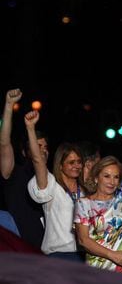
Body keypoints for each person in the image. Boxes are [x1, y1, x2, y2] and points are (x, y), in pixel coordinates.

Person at [74, 121, 122, 275]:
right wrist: (112, 255)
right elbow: (83, 240)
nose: (112, 181)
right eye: (106, 176)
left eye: (116, 177)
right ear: (96, 178)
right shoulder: (84, 204)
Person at [25, 110, 85, 261]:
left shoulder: (84, 190)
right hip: (59, 256)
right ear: (60, 165)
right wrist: (30, 128)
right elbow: (38, 160)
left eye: (79, 162)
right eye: (71, 162)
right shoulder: (51, 184)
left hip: (84, 255)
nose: (76, 166)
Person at [0, 89, 46, 249]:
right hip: (22, 251)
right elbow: (4, 143)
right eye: (37, 146)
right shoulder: (15, 174)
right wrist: (9, 105)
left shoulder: (53, 178)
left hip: (49, 253)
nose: (43, 150)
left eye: (45, 147)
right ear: (24, 152)